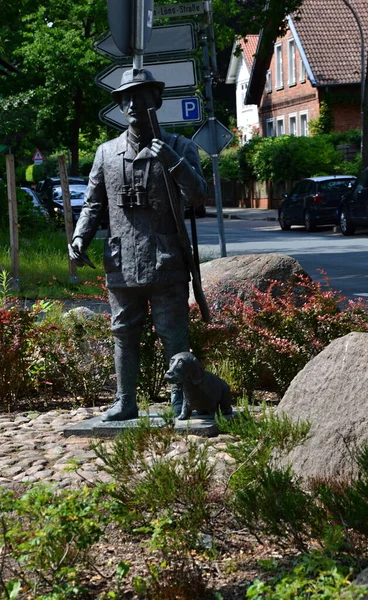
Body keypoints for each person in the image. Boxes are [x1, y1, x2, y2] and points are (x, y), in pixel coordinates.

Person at [68, 68, 208, 421]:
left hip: (166, 258)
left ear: (156, 101)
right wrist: (80, 235)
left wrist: (173, 163)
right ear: (120, 105)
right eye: (126, 97)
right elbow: (93, 203)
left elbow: (198, 196)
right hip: (121, 258)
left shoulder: (179, 147)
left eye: (141, 95)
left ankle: (181, 400)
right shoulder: (106, 152)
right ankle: (125, 400)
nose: (133, 103)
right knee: (122, 331)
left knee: (173, 331)